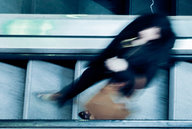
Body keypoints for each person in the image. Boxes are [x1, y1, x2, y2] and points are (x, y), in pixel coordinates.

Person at [39, 13, 176, 114]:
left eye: (152, 30)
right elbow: (117, 43)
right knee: (84, 81)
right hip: (105, 65)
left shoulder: (157, 54)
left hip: (124, 79)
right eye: (147, 27)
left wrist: (123, 68)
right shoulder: (136, 32)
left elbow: (144, 81)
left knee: (105, 97)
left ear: (159, 34)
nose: (144, 31)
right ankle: (62, 97)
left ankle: (93, 113)